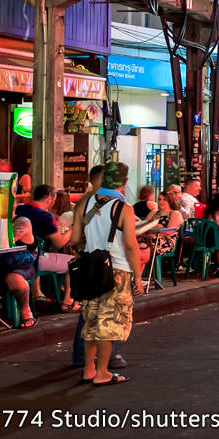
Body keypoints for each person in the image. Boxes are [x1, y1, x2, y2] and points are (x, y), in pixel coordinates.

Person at [77, 162, 141, 386]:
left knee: (91, 320)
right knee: (109, 323)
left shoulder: (84, 203)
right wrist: (139, 277)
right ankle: (103, 372)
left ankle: (88, 369)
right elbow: (131, 246)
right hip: (116, 270)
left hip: (90, 268)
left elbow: (75, 239)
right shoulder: (124, 208)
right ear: (123, 182)